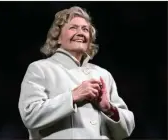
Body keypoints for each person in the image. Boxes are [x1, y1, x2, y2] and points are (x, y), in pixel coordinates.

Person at [18, 6, 135, 139]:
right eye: (73, 27)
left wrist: (108, 108)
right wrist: (73, 97)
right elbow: (30, 115)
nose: (80, 33)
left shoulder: (103, 74)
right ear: (58, 38)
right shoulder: (40, 69)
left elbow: (127, 128)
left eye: (85, 29)